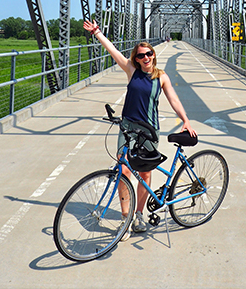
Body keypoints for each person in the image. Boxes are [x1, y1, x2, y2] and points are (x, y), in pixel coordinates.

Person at [83, 20, 197, 240]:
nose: (146, 58)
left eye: (149, 54)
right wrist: (97, 32)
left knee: (145, 173)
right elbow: (112, 50)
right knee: (124, 171)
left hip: (150, 131)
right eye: (141, 55)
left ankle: (139, 214)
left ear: (154, 55)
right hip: (128, 128)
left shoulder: (161, 77)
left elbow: (173, 98)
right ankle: (126, 219)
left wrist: (185, 120)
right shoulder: (131, 70)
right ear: (135, 58)